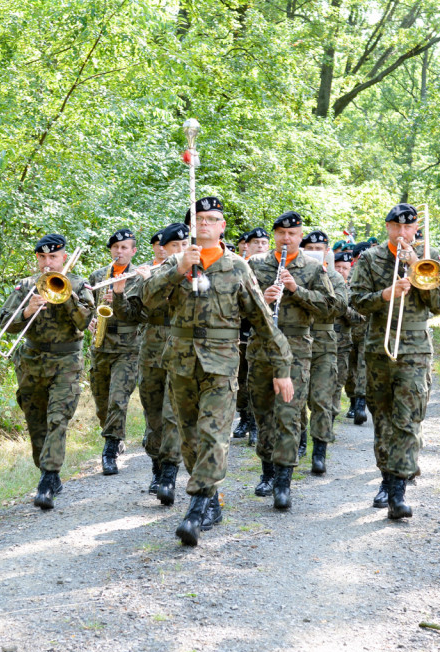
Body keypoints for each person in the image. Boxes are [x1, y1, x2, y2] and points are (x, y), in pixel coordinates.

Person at [141, 196, 293, 546]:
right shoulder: (176, 263)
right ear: (192, 225)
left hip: (222, 363)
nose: (205, 224)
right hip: (180, 362)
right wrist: (177, 268)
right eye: (199, 219)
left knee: (213, 434)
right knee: (190, 438)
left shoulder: (237, 266)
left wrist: (282, 366)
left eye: (212, 219)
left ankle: (195, 509)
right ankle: (210, 499)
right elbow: (145, 300)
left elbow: (261, 319)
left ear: (222, 226)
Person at [349, 203, 440, 520]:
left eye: (410, 227)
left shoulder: (429, 257)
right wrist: (385, 295)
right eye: (398, 227)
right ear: (389, 228)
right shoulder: (370, 258)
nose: (404, 232)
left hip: (415, 348)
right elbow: (355, 302)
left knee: (407, 420)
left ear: (416, 227)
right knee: (383, 419)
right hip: (379, 346)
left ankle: (397, 492)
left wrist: (417, 266)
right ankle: (387, 478)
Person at [246, 211, 337, 510]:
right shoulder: (256, 264)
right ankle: (267, 472)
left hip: (297, 347)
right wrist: (263, 298)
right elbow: (235, 307)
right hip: (261, 345)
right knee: (263, 413)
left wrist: (297, 291)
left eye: (293, 234)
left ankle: (283, 481)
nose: (287, 239)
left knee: (288, 412)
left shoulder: (312, 267)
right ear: (275, 235)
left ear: (300, 236)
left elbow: (329, 308)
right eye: (281, 234)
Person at [0, 234, 95, 510]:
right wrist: (26, 311)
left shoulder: (77, 284)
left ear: (63, 257)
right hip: (31, 362)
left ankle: (47, 478)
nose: (48, 263)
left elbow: (86, 320)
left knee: (57, 418)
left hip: (66, 361)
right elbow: (5, 324)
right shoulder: (26, 287)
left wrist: (66, 297)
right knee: (36, 421)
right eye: (43, 257)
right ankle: (48, 473)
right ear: (37, 258)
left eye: (53, 257)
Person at [114, 224, 188, 503]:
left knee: (173, 414)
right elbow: (130, 315)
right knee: (153, 414)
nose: (179, 251)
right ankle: (157, 465)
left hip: (182, 351)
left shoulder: (196, 272)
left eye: (183, 246)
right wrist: (121, 293)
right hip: (152, 352)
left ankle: (169, 473)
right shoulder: (145, 275)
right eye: (173, 247)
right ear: (162, 250)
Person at [88, 228, 142, 475]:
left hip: (128, 348)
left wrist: (119, 297)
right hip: (100, 347)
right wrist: (89, 318)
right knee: (102, 403)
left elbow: (136, 314)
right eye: (115, 248)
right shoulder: (99, 275)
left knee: (117, 400)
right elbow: (87, 305)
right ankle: (116, 437)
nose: (119, 252)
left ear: (133, 251)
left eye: (124, 248)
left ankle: (109, 451)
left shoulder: (140, 277)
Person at [299, 229, 348, 475]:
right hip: (295, 342)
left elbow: (336, 307)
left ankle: (319, 451)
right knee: (294, 401)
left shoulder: (336, 278)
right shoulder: (294, 274)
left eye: (320, 250)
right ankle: (297, 442)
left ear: (327, 252)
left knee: (321, 399)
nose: (316, 254)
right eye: (311, 250)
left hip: (324, 346)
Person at [232, 226, 271, 445]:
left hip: (259, 332)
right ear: (247, 245)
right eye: (256, 243)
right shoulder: (238, 266)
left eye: (264, 243)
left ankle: (255, 423)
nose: (260, 246)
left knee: (255, 380)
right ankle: (244, 418)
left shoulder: (270, 268)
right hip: (239, 331)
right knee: (240, 379)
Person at [333, 251, 365, 425]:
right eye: (337, 267)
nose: (340, 271)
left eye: (344, 268)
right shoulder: (324, 286)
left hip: (347, 341)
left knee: (348, 376)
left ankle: (354, 404)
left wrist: (343, 307)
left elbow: (360, 318)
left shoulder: (353, 291)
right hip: (324, 342)